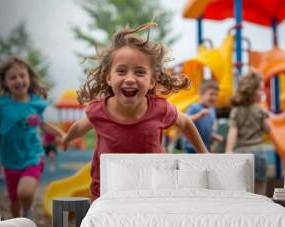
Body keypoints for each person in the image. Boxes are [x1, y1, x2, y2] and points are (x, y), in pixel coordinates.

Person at [62, 22, 208, 202]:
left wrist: (204, 154)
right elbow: (79, 127)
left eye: (139, 72)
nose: (130, 79)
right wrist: (67, 138)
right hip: (107, 188)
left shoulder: (159, 109)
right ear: (109, 77)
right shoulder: (99, 110)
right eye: (121, 71)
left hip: (152, 187)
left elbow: (185, 123)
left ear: (152, 81)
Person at [0, 56, 64, 219]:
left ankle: (28, 212)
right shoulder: (1, 105)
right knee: (14, 199)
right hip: (10, 161)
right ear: (5, 82)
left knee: (24, 192)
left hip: (32, 157)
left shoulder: (36, 104)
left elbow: (43, 124)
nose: (18, 80)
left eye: (22, 76)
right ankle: (18, 222)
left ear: (29, 78)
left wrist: (62, 134)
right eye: (13, 77)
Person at [225, 70, 271, 196]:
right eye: (260, 89)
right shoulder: (260, 110)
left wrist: (229, 150)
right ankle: (262, 209)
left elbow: (233, 131)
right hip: (258, 153)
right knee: (260, 185)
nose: (262, 93)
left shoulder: (236, 110)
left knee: (243, 187)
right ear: (252, 92)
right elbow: (269, 129)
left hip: (240, 153)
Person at [183, 79, 224, 153]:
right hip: (192, 148)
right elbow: (185, 121)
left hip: (205, 148)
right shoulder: (194, 107)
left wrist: (213, 136)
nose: (214, 97)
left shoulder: (211, 110)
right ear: (201, 94)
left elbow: (206, 130)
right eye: (211, 94)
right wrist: (199, 115)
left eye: (216, 95)